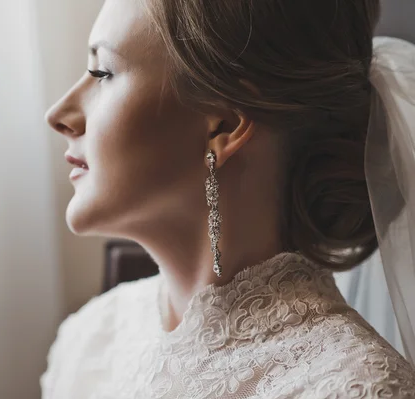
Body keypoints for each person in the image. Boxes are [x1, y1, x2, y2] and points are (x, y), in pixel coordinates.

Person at [41, 0, 415, 397]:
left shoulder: (355, 386)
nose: (58, 113)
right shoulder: (91, 339)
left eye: (103, 73)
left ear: (225, 126)